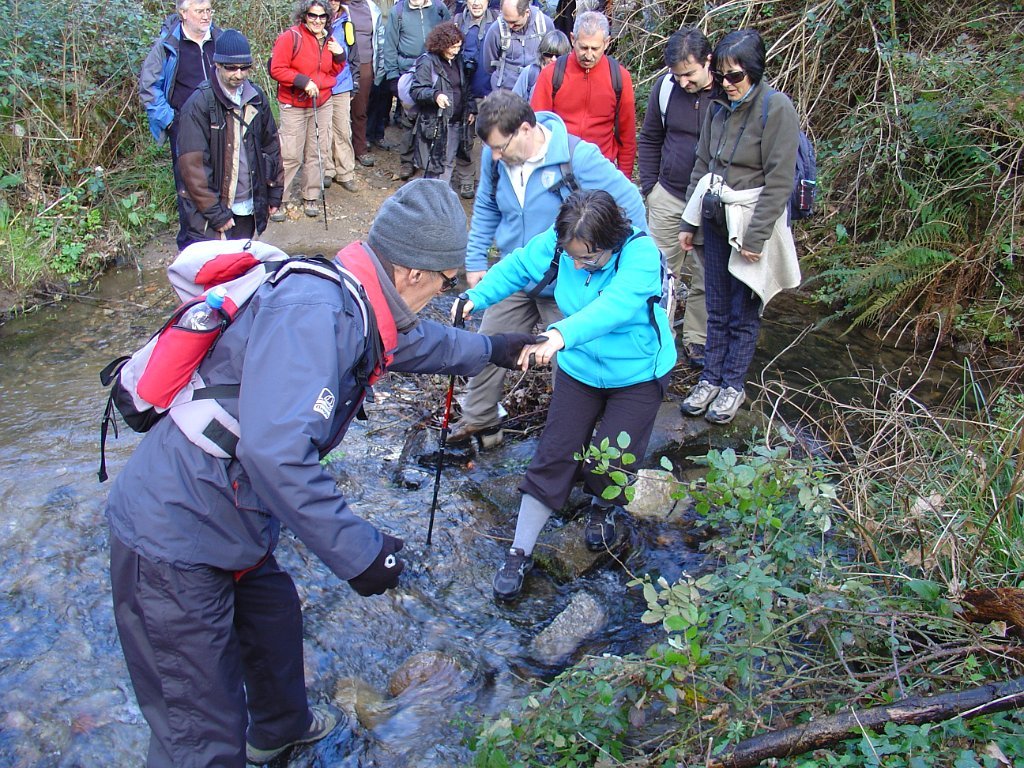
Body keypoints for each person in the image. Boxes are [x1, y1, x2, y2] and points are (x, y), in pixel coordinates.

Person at [105, 178, 538, 768]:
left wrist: (493, 350)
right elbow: (276, 454)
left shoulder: (355, 300)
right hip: (172, 536)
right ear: (412, 271)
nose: (446, 290)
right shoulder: (317, 312)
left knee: (273, 620)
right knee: (199, 734)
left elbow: (413, 345)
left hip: (228, 514)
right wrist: (361, 552)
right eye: (446, 279)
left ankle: (280, 730)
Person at [455, 189, 676, 601]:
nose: (575, 265)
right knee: (555, 453)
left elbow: (614, 307)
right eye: (570, 256)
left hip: (638, 372)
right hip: (580, 368)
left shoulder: (641, 255)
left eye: (588, 259)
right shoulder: (561, 245)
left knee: (612, 456)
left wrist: (558, 335)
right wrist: (474, 298)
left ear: (612, 240)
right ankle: (519, 552)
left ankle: (602, 507)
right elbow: (518, 266)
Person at [447, 90, 647, 449]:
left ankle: (571, 439)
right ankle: (480, 422)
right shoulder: (496, 159)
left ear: (525, 129)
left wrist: (619, 267)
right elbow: (487, 205)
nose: (494, 156)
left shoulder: (577, 158)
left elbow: (629, 204)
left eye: (500, 147)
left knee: (568, 361)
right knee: (489, 345)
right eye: (490, 149)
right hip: (518, 273)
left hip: (568, 280)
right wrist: (475, 259)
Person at [677, 29, 801, 424]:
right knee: (716, 305)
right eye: (722, 75)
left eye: (736, 76)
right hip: (715, 218)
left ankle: (732, 385)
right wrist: (689, 220)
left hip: (749, 222)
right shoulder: (717, 108)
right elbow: (702, 165)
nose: (727, 84)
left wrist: (756, 237)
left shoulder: (775, 108)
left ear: (754, 71)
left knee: (743, 312)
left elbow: (780, 181)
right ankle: (710, 379)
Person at [637, 27, 715, 368]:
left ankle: (697, 339)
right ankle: (659, 338)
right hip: (668, 196)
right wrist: (650, 188)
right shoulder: (665, 89)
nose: (683, 82)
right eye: (677, 75)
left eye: (690, 74)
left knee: (706, 274)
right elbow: (650, 137)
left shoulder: (728, 92)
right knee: (661, 274)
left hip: (711, 204)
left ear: (708, 62)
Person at [176, 30, 283, 247]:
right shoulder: (198, 104)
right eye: (231, 68)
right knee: (218, 266)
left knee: (243, 262)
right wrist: (216, 213)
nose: (239, 74)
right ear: (217, 64)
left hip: (249, 206)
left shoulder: (256, 97)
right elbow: (193, 168)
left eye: (244, 67)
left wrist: (274, 192)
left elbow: (271, 146)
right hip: (215, 213)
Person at [138, 0, 220, 250]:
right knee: (189, 186)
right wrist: (172, 121)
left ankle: (222, 243)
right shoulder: (167, 46)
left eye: (208, 10)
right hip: (185, 127)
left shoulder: (220, 39)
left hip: (220, 124)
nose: (206, 16)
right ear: (183, 13)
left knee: (221, 181)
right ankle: (191, 247)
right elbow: (149, 88)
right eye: (199, 11)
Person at [529, 11, 635, 175]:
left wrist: (624, 179)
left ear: (607, 43)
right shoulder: (551, 74)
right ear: (573, 39)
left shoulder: (620, 78)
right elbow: (536, 127)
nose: (589, 55)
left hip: (600, 169)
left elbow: (627, 137)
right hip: (558, 170)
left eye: (595, 48)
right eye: (583, 47)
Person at [269, 0, 346, 218]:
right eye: (313, 15)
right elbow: (276, 68)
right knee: (290, 154)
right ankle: (278, 198)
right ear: (304, 16)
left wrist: (340, 55)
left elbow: (333, 71)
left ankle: (311, 195)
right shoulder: (290, 37)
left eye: (322, 16)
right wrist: (303, 81)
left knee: (318, 151)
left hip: (322, 102)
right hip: (294, 103)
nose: (317, 21)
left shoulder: (329, 39)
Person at [381, 0, 452, 179]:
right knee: (409, 119)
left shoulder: (439, 9)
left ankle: (426, 161)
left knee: (430, 118)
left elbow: (450, 36)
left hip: (434, 70)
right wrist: (393, 77)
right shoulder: (397, 12)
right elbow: (390, 46)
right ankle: (407, 160)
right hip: (408, 71)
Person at [411, 22, 477, 181]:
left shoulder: (457, 60)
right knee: (433, 165)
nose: (456, 51)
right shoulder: (427, 62)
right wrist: (435, 95)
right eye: (452, 47)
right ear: (441, 45)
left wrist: (471, 108)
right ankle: (432, 193)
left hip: (455, 121)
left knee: (448, 162)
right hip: (435, 123)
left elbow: (465, 87)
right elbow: (416, 90)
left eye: (459, 47)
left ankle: (441, 192)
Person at [451, 0, 499, 198]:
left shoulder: (498, 22)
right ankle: (466, 179)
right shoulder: (457, 21)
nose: (477, 3)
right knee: (465, 138)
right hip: (464, 91)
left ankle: (489, 183)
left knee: (493, 140)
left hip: (491, 92)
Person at [324, 0, 360, 192]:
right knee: (323, 130)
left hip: (342, 83)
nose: (333, 2)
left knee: (343, 129)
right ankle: (326, 170)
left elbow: (354, 54)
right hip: (320, 85)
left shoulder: (347, 24)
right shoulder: (314, 21)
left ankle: (345, 172)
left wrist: (355, 82)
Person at [480, 0, 554, 93]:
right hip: (506, 92)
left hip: (537, 89)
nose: (510, 26)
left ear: (527, 12)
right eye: (506, 21)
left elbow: (553, 57)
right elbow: (489, 65)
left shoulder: (545, 24)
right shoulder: (496, 29)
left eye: (514, 22)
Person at [344, 0, 385, 167]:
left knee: (360, 109)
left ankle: (360, 149)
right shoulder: (337, 6)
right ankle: (339, 153)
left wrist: (379, 67)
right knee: (338, 111)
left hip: (365, 64)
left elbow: (379, 38)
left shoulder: (371, 8)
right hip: (341, 64)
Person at [511, 28, 568, 101]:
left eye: (558, 56)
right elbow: (513, 102)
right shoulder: (531, 72)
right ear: (542, 54)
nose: (553, 59)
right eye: (548, 54)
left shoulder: (571, 76)